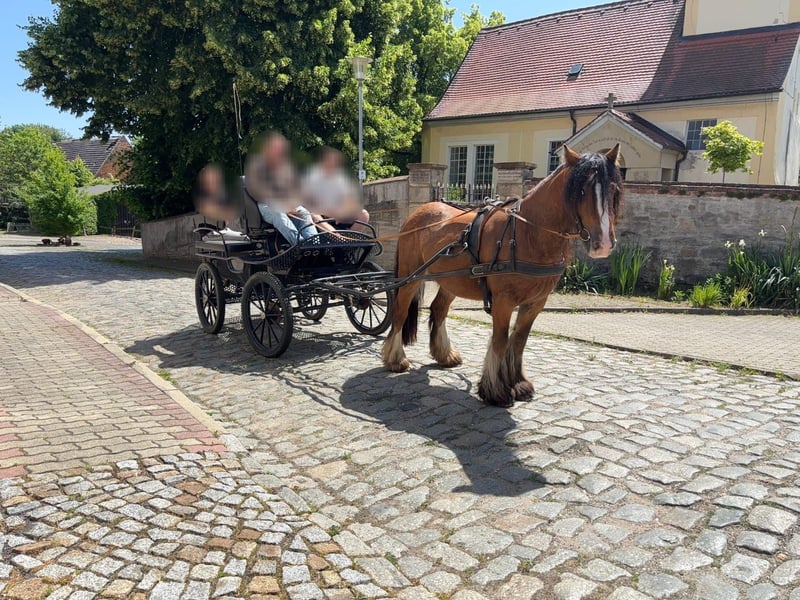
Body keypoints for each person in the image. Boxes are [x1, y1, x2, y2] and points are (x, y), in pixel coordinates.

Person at [245, 133, 315, 245]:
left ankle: (314, 243)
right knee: (278, 214)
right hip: (267, 205)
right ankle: (299, 245)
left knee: (303, 212)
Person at [302, 147, 369, 233]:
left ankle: (349, 237)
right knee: (314, 215)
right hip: (321, 214)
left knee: (363, 214)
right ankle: (337, 237)